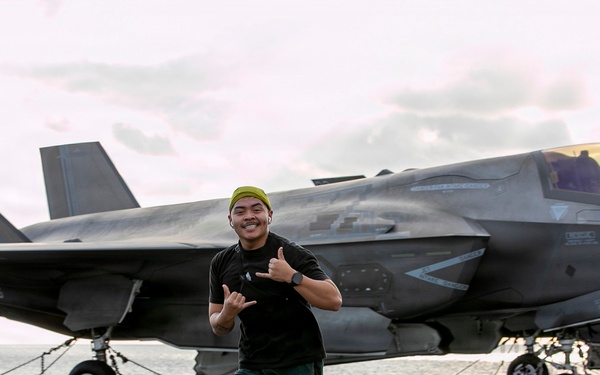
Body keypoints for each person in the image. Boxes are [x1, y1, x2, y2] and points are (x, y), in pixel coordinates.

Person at [209, 186, 342, 375]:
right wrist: (226, 314)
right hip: (251, 363)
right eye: (240, 212)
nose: (249, 216)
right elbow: (218, 326)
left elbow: (334, 301)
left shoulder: (292, 254)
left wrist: (292, 277)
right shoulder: (221, 262)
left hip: (297, 362)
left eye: (257, 210)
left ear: (269, 215)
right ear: (231, 220)